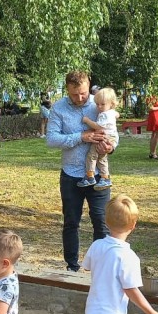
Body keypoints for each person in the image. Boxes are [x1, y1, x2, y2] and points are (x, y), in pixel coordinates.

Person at [47, 70, 115, 273]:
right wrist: (81, 137)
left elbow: (113, 134)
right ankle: (72, 266)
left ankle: (100, 268)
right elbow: (51, 140)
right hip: (71, 175)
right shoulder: (58, 108)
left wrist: (110, 147)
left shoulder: (100, 103)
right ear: (67, 89)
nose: (80, 98)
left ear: (89, 85)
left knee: (101, 222)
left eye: (83, 93)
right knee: (71, 222)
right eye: (74, 94)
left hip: (99, 177)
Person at [79, 87, 119, 189]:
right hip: (109, 136)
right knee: (102, 158)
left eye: (102, 104)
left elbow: (98, 126)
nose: (99, 107)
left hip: (103, 137)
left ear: (111, 103)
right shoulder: (111, 112)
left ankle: (90, 176)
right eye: (97, 104)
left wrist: (87, 120)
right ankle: (105, 177)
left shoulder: (104, 115)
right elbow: (117, 114)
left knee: (92, 155)